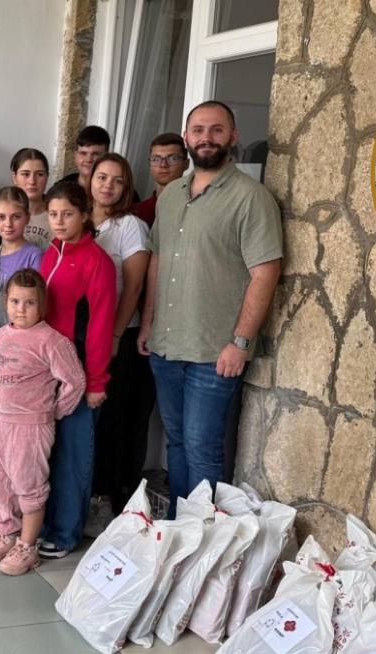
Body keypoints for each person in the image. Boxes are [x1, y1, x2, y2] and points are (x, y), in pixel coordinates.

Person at [136, 100, 283, 517]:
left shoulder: (250, 198)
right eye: (198, 130)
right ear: (187, 137)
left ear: (232, 136)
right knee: (178, 443)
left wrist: (241, 342)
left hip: (215, 352)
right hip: (167, 344)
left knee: (202, 448)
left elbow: (265, 273)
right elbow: (158, 261)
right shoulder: (171, 196)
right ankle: (178, 528)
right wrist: (147, 323)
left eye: (216, 130)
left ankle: (202, 534)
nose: (206, 138)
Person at [0, 269, 85, 575]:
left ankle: (27, 545)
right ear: (5, 302)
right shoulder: (1, 335)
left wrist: (55, 411)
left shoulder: (51, 340)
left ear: (42, 305)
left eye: (29, 303)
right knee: (0, 481)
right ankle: (7, 533)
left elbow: (75, 381)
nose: (21, 309)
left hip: (30, 425)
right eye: (15, 301)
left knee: (28, 483)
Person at [37, 181, 117, 559]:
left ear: (85, 215)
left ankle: (66, 532)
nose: (59, 221)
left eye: (67, 214)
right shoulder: (51, 252)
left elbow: (100, 326)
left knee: (73, 455)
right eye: (53, 214)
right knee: (47, 453)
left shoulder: (97, 261)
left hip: (79, 376)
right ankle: (42, 524)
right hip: (46, 372)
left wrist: (96, 381)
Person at [84, 153, 153, 532]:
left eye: (117, 180)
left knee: (112, 420)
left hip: (118, 336)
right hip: (83, 334)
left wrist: (113, 334)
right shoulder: (79, 221)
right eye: (102, 177)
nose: (108, 185)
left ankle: (105, 498)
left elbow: (134, 286)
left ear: (127, 187)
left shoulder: (130, 226)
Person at [0, 187, 44, 326]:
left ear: (27, 218)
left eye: (16, 217)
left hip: (19, 332)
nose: (8, 224)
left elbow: (36, 301)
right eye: (1, 217)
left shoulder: (34, 256)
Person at [132, 133, 189, 227]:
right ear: (149, 164)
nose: (163, 165)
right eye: (156, 159)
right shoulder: (136, 213)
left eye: (172, 158)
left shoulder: (194, 209)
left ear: (186, 164)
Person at [10, 148, 52, 248]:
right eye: (25, 174)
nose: (32, 181)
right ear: (14, 178)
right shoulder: (3, 216)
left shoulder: (58, 215)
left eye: (40, 174)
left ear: (47, 177)